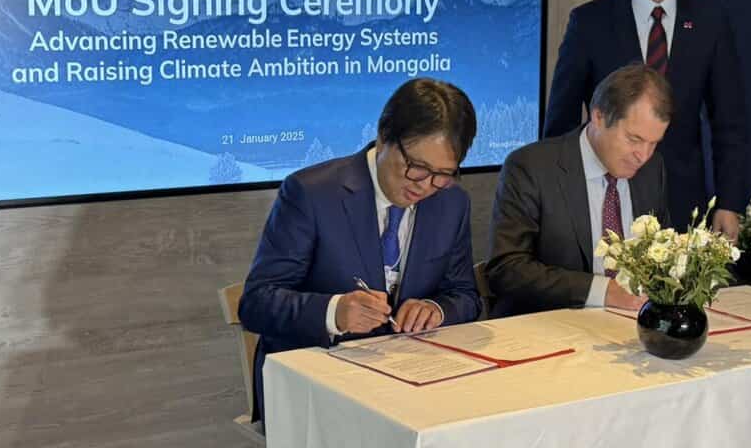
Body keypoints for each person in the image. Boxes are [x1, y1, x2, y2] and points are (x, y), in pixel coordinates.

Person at [240, 78, 481, 421]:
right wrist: (333, 311)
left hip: (413, 380)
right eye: (417, 168)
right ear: (384, 137)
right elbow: (256, 303)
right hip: (317, 380)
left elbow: (465, 295)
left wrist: (436, 309)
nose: (425, 186)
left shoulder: (452, 202)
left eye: (442, 174)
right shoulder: (312, 193)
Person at [543, 0, 747, 240]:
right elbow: (560, 121)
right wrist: (556, 201)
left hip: (682, 197)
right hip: (606, 193)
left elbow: (729, 122)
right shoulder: (590, 21)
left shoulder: (711, 23)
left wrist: (729, 201)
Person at [487, 63, 672, 319]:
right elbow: (507, 269)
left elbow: (662, 254)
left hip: (632, 326)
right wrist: (602, 291)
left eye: (654, 143)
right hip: (548, 328)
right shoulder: (531, 167)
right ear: (598, 116)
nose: (643, 156)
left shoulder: (654, 169)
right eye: (634, 139)